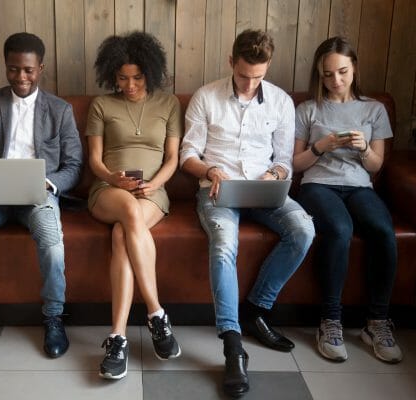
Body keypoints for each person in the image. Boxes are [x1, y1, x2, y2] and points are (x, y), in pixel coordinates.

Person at [180, 29, 315, 397]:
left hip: (264, 189)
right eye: (243, 75)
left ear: (267, 66)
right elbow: (187, 155)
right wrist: (209, 170)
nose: (250, 84)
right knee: (224, 244)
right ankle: (232, 343)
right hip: (218, 190)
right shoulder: (205, 97)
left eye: (258, 76)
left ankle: (257, 308)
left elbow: (285, 160)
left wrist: (275, 174)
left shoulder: (281, 102)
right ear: (231, 62)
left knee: (304, 229)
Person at [0, 32, 82, 363]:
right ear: (5, 67)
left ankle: (53, 317)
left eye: (28, 70)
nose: (20, 77)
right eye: (13, 69)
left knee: (51, 236)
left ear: (41, 68)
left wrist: (49, 184)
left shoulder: (60, 110)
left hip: (38, 195)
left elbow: (74, 166)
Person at [293, 36, 402, 364]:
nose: (335, 81)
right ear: (319, 75)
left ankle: (377, 322)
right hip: (317, 186)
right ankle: (330, 321)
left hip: (359, 187)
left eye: (342, 72)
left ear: (354, 67)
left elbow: (376, 166)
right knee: (339, 230)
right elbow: (294, 165)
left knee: (383, 230)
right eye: (327, 74)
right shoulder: (308, 109)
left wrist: (364, 148)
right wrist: (319, 148)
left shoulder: (374, 109)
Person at [86, 31, 182, 380]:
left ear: (150, 74)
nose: (129, 85)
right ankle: (157, 313)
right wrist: (114, 179)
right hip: (109, 190)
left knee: (120, 235)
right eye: (122, 78)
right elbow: (95, 161)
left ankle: (118, 337)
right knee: (126, 212)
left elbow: (172, 158)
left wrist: (155, 183)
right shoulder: (101, 105)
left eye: (137, 78)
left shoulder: (169, 103)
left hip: (153, 193)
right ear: (112, 74)